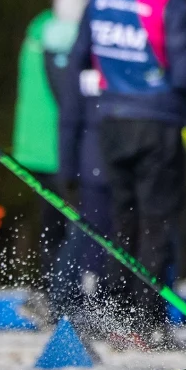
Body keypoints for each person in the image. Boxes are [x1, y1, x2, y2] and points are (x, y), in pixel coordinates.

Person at [63, 0, 186, 350]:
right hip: (156, 123)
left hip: (112, 124)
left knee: (123, 220)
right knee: (156, 224)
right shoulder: (170, 1)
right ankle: (148, 322)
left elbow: (79, 56)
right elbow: (184, 72)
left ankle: (119, 315)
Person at [13, 0, 90, 323]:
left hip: (33, 147)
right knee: (74, 226)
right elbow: (69, 98)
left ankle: (49, 293)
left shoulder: (39, 27)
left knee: (51, 226)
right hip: (59, 148)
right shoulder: (66, 36)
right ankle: (63, 300)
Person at [55, 25, 114, 335]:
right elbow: (69, 120)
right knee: (89, 236)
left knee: (114, 236)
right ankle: (72, 303)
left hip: (118, 165)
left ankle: (105, 304)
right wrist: (67, 170)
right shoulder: (81, 66)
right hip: (92, 168)